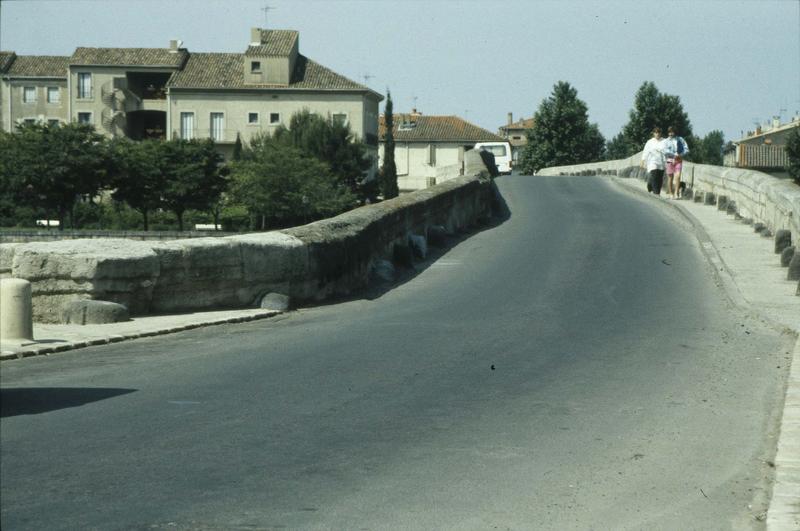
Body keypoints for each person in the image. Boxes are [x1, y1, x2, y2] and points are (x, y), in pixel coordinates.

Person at [663, 126, 689, 198]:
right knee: (670, 177)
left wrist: (681, 155)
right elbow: (665, 151)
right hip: (670, 160)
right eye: (669, 132)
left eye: (672, 132)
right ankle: (671, 193)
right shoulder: (666, 141)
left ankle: (676, 192)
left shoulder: (680, 139)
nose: (671, 134)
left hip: (678, 160)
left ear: (675, 132)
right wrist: (674, 155)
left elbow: (686, 149)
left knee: (678, 176)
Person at [641, 127, 666, 195]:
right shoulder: (650, 142)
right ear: (653, 133)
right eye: (656, 132)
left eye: (658, 132)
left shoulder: (664, 141)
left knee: (659, 178)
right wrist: (643, 161)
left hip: (661, 162)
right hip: (652, 161)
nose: (657, 134)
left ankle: (652, 187)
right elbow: (645, 152)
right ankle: (656, 193)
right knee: (654, 175)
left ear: (660, 133)